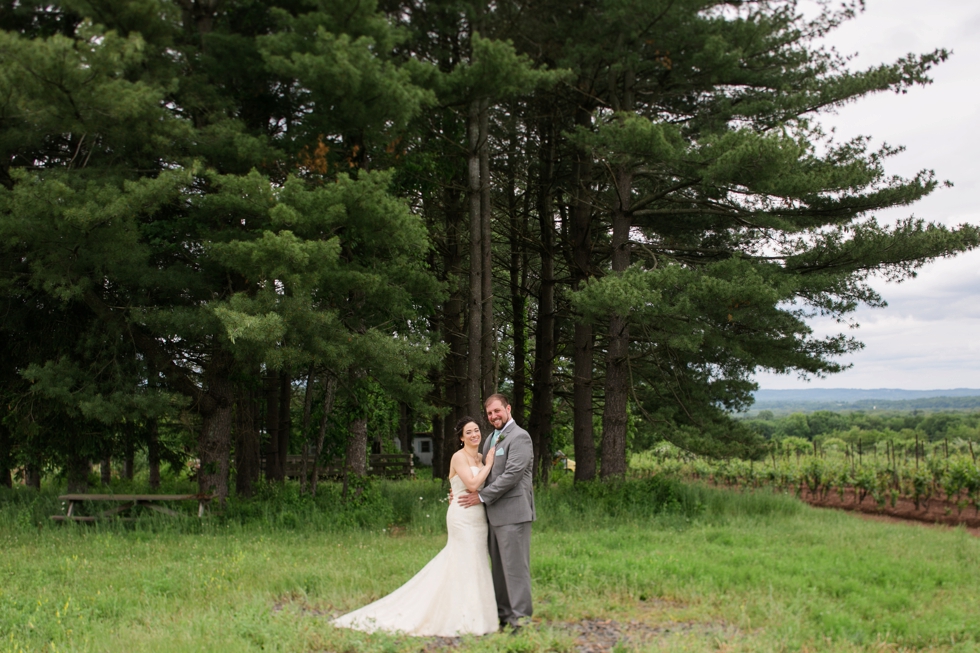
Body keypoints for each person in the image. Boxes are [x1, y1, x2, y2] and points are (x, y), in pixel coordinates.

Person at [331, 417, 498, 637]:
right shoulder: (459, 457)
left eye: (476, 430)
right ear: (461, 437)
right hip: (462, 516)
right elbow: (473, 484)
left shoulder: (479, 457)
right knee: (462, 560)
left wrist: (485, 464)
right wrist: (490, 465)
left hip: (479, 518)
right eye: (469, 432)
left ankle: (478, 615)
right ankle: (457, 616)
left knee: (476, 561)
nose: (475, 435)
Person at [457, 393, 536, 630]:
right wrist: (460, 492)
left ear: (508, 408)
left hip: (514, 514)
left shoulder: (520, 437)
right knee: (500, 571)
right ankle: (503, 617)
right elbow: (482, 473)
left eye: (497, 411)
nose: (493, 416)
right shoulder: (490, 438)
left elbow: (511, 476)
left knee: (515, 570)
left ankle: (520, 620)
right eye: (490, 413)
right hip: (493, 516)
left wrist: (481, 496)